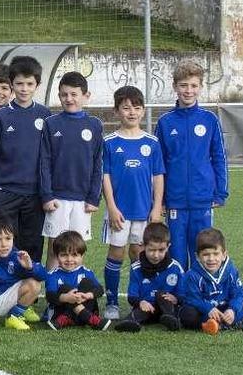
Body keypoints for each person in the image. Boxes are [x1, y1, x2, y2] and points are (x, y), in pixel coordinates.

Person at [155, 61, 228, 270]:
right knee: (176, 252)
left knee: (203, 250)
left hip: (202, 199)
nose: (189, 90)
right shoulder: (165, 122)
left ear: (201, 87)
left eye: (194, 85)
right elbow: (159, 165)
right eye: (184, 85)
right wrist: (159, 200)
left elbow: (219, 158)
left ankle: (200, 296)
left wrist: (220, 193)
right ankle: (179, 298)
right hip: (175, 201)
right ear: (175, 87)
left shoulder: (209, 120)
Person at [101, 85, 165, 320]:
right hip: (118, 211)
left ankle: (141, 299)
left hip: (144, 211)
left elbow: (158, 176)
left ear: (144, 111)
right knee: (116, 253)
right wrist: (111, 206)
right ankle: (111, 303)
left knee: (139, 254)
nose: (132, 112)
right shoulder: (109, 141)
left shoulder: (152, 142)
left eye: (136, 108)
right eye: (126, 108)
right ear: (116, 111)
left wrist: (157, 207)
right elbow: (104, 175)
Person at [0, 57, 51, 263]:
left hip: (35, 195)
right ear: (12, 84)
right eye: (19, 83)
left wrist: (46, 191)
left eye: (29, 84)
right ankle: (2, 290)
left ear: (37, 85)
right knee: (3, 245)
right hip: (6, 194)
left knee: (32, 245)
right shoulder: (1, 116)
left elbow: (49, 157)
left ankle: (28, 292)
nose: (24, 88)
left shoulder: (45, 114)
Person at [39, 71, 103, 269]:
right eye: (64, 94)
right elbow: (45, 162)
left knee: (76, 247)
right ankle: (53, 294)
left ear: (86, 96)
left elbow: (98, 163)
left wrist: (94, 197)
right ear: (59, 96)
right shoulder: (51, 123)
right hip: (57, 197)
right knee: (54, 247)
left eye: (74, 94)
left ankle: (73, 292)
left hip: (82, 199)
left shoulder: (94, 125)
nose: (69, 99)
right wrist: (47, 195)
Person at [179, 228, 243, 334]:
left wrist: (232, 309)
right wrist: (208, 309)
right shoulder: (192, 275)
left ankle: (225, 322)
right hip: (205, 312)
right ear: (197, 256)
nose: (211, 258)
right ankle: (229, 323)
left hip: (225, 307)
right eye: (206, 255)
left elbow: (239, 293)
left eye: (216, 254)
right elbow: (191, 299)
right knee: (187, 313)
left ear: (224, 255)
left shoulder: (231, 271)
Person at [114, 222, 184, 332]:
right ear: (143, 246)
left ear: (168, 247)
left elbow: (183, 294)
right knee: (141, 310)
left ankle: (171, 320)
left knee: (161, 295)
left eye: (161, 250)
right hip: (147, 308)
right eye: (151, 250)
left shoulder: (175, 267)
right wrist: (141, 302)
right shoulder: (136, 268)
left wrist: (176, 299)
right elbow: (132, 296)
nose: (156, 255)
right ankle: (129, 322)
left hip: (167, 309)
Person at [45, 231, 112, 331]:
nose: (69, 259)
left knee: (87, 283)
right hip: (60, 314)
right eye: (64, 255)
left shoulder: (86, 272)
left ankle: (72, 316)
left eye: (74, 255)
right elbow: (50, 297)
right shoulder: (52, 274)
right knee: (65, 288)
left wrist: (88, 295)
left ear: (82, 256)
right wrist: (66, 298)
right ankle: (92, 320)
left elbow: (100, 290)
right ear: (56, 255)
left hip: (85, 309)